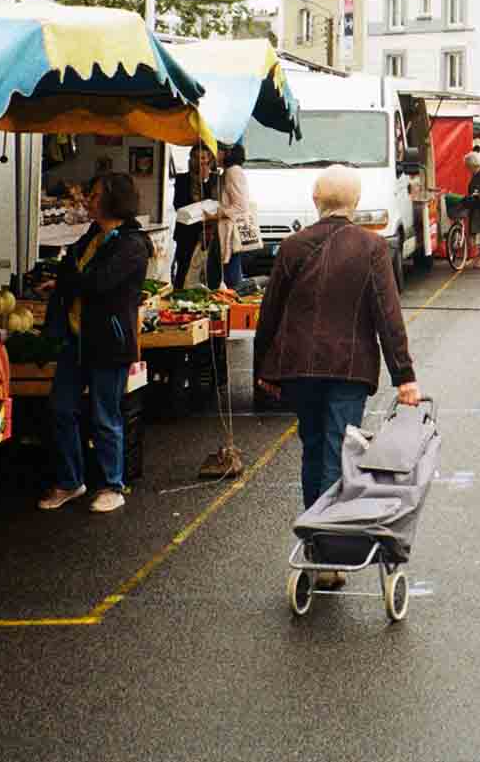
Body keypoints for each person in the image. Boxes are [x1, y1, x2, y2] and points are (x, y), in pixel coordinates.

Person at [254, 165, 422, 583]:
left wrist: (263, 368)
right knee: (336, 451)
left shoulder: (293, 246)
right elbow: (387, 314)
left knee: (313, 449)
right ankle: (327, 552)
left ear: (316, 200)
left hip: (298, 367)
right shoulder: (371, 247)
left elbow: (270, 310)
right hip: (349, 367)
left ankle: (316, 540)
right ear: (356, 202)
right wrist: (405, 375)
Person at [40, 173, 151, 515]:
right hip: (76, 340)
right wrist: (64, 282)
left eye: (96, 193)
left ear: (113, 200)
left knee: (105, 416)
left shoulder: (131, 245)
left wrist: (65, 281)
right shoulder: (92, 236)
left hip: (109, 342)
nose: (88, 198)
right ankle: (71, 482)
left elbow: (97, 284)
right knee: (61, 408)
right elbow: (76, 276)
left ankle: (112, 485)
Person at [171, 145, 220, 289]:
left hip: (209, 234)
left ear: (210, 160)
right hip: (187, 234)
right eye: (196, 158)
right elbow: (178, 204)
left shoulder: (215, 179)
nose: (200, 162)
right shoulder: (182, 179)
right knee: (183, 270)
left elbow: (217, 203)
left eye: (203, 158)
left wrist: (205, 180)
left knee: (208, 272)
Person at [217, 143, 262, 291]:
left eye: (218, 151)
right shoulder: (227, 172)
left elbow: (241, 206)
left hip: (232, 233)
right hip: (227, 232)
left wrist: (219, 213)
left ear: (227, 153)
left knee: (232, 279)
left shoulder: (233, 172)